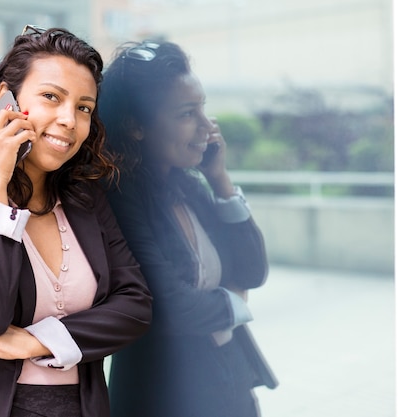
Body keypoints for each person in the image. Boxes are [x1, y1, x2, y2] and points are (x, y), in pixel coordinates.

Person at [0, 26, 152, 417]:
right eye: (51, 97)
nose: (69, 120)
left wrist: (35, 341)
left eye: (83, 107)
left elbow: (134, 307)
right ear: (5, 100)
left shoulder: (86, 202)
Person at [98, 41, 277, 417]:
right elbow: (167, 307)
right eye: (186, 113)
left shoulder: (191, 186)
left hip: (229, 382)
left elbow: (253, 271)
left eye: (203, 109)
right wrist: (234, 302)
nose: (207, 127)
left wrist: (220, 180)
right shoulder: (119, 198)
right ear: (135, 127)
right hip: (165, 393)